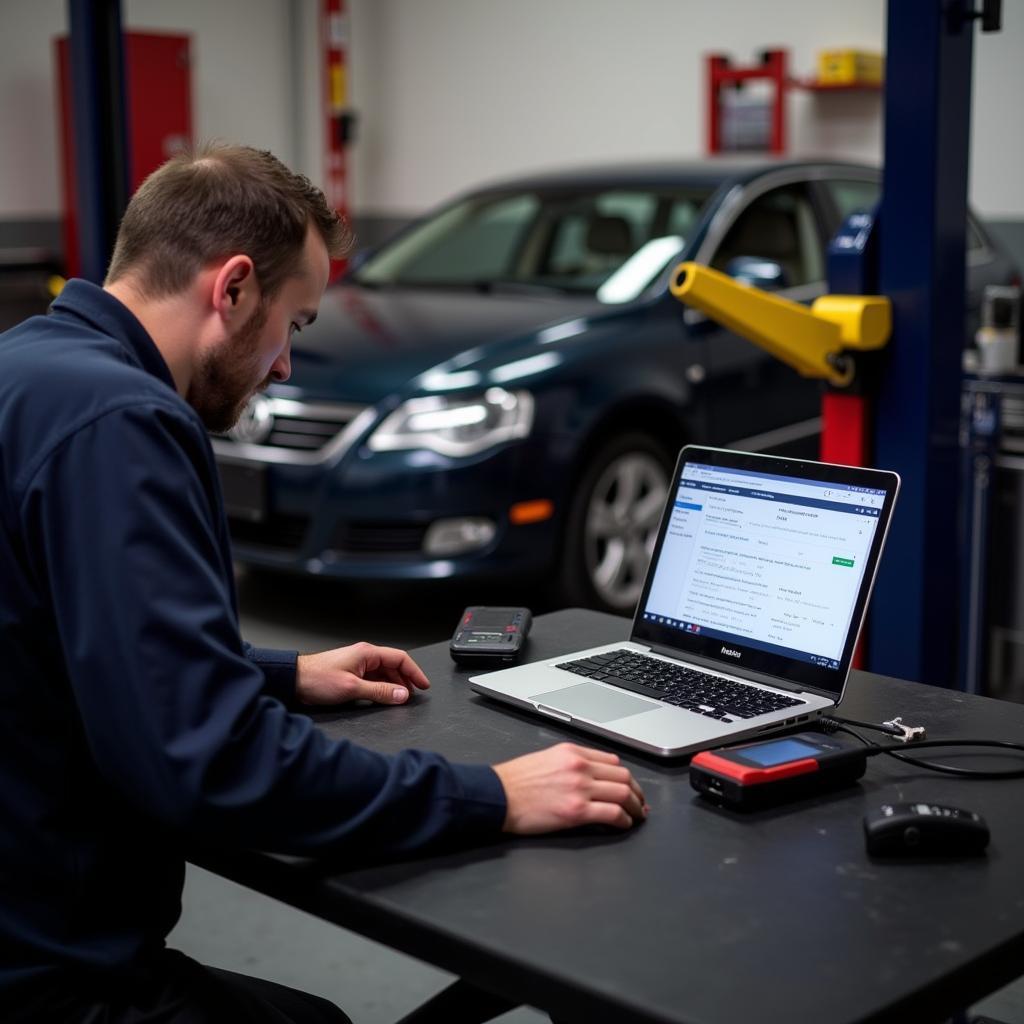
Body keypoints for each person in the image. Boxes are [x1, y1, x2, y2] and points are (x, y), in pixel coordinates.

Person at [0, 144, 647, 1024]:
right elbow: (211, 767)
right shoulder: (126, 423)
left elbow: (62, 641)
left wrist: (283, 674)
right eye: (294, 325)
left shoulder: (30, 368)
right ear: (231, 289)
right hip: (58, 983)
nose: (285, 367)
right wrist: (494, 795)